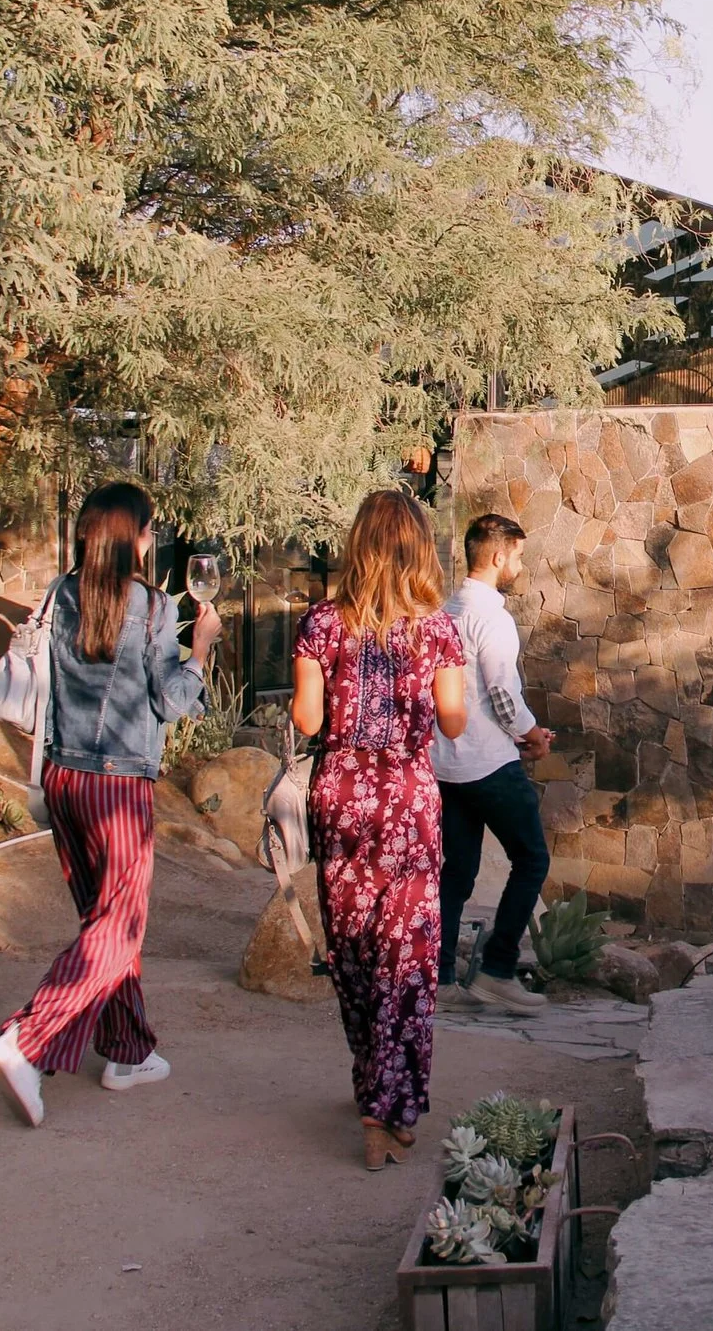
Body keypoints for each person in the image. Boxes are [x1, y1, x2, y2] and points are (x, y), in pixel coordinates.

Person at [0, 482, 218, 1127]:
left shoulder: (60, 593)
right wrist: (200, 649)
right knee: (120, 926)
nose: (151, 539)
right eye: (149, 530)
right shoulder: (151, 606)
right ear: (133, 538)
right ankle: (27, 1043)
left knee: (104, 919)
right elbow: (169, 700)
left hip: (63, 778)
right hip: (118, 785)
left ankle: (127, 1050)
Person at [291, 490, 467, 1170]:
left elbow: (308, 721)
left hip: (340, 796)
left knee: (354, 947)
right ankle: (388, 1106)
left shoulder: (321, 623)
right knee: (407, 951)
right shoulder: (438, 629)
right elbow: (453, 722)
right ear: (418, 550)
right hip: (407, 800)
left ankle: (374, 1085)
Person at [432, 514, 555, 1014]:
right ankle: (498, 969)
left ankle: (439, 978)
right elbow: (503, 694)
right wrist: (532, 734)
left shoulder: (446, 610)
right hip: (488, 764)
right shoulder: (492, 618)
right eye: (518, 556)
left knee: (456, 873)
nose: (520, 566)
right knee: (532, 859)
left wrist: (523, 730)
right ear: (499, 556)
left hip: (445, 763)